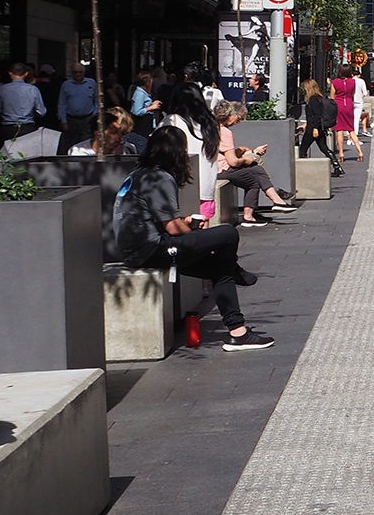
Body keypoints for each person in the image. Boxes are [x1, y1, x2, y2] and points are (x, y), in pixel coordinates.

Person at [113, 126, 274, 351]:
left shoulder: (137, 174)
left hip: (137, 249)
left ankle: (238, 332)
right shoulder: (159, 177)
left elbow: (163, 221)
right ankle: (235, 270)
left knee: (220, 268)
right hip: (152, 248)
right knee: (228, 233)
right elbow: (173, 229)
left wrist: (186, 223)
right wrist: (192, 233)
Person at [213, 101, 299, 226]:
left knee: (253, 181)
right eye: (238, 117)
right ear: (229, 115)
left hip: (215, 169)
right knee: (256, 170)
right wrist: (247, 160)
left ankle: (250, 216)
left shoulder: (213, 128)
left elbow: (224, 154)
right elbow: (233, 162)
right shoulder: (225, 132)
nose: (239, 121)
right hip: (222, 170)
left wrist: (252, 152)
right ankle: (277, 200)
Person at [161, 84, 224, 221]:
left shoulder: (173, 121)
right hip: (206, 189)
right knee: (202, 232)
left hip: (182, 188)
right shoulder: (211, 123)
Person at [296, 80, 344, 177]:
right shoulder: (319, 98)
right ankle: (337, 167)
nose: (303, 91)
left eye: (304, 88)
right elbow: (314, 116)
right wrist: (305, 125)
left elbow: (317, 115)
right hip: (318, 127)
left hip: (313, 128)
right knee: (324, 147)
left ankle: (303, 170)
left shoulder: (313, 99)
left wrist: (314, 128)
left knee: (303, 149)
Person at [0, 63, 46, 140]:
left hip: (8, 127)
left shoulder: (2, 89)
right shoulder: (33, 89)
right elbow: (42, 112)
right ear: (26, 74)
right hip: (27, 127)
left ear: (10, 73)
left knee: (9, 150)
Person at [69, 107, 145, 158]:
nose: (119, 137)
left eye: (120, 132)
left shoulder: (128, 149)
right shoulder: (78, 152)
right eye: (114, 132)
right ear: (98, 135)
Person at [57, 62, 99, 152]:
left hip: (88, 118)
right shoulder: (66, 85)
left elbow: (97, 100)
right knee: (72, 143)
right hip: (72, 119)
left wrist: (95, 115)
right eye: (75, 72)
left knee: (87, 142)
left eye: (80, 72)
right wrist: (63, 121)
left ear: (84, 72)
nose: (78, 74)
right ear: (72, 73)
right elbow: (62, 103)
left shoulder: (91, 83)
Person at [331, 65, 363, 163]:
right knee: (351, 130)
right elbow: (353, 93)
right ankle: (360, 152)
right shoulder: (353, 82)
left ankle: (341, 153)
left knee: (339, 130)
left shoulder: (335, 82)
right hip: (348, 105)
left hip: (338, 106)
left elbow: (332, 97)